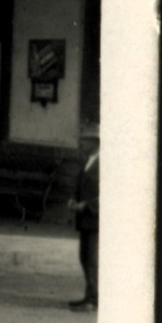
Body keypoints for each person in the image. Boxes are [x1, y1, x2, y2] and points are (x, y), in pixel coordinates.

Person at [67, 125, 100, 311]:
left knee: (92, 259)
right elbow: (79, 184)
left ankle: (93, 299)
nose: (82, 143)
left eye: (85, 140)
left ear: (96, 142)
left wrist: (87, 204)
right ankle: (90, 295)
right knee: (84, 257)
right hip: (85, 220)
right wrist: (73, 198)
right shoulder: (87, 161)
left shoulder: (105, 163)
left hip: (96, 219)